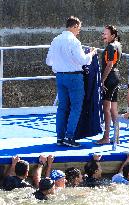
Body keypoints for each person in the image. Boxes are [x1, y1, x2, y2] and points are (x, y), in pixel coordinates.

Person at [46, 16, 97, 147]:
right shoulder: (74, 41)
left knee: (62, 107)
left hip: (60, 76)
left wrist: (60, 65)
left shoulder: (55, 40)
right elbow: (83, 60)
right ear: (74, 26)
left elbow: (48, 61)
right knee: (76, 107)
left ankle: (60, 137)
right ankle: (69, 137)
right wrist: (91, 54)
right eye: (79, 28)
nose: (79, 31)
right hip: (74, 77)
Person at [96, 25, 122, 145]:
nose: (103, 36)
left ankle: (106, 137)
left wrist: (102, 80)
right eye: (103, 33)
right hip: (116, 77)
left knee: (106, 109)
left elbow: (110, 64)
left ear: (113, 35)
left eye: (105, 34)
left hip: (110, 78)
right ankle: (116, 136)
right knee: (114, 109)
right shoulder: (118, 45)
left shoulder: (111, 46)